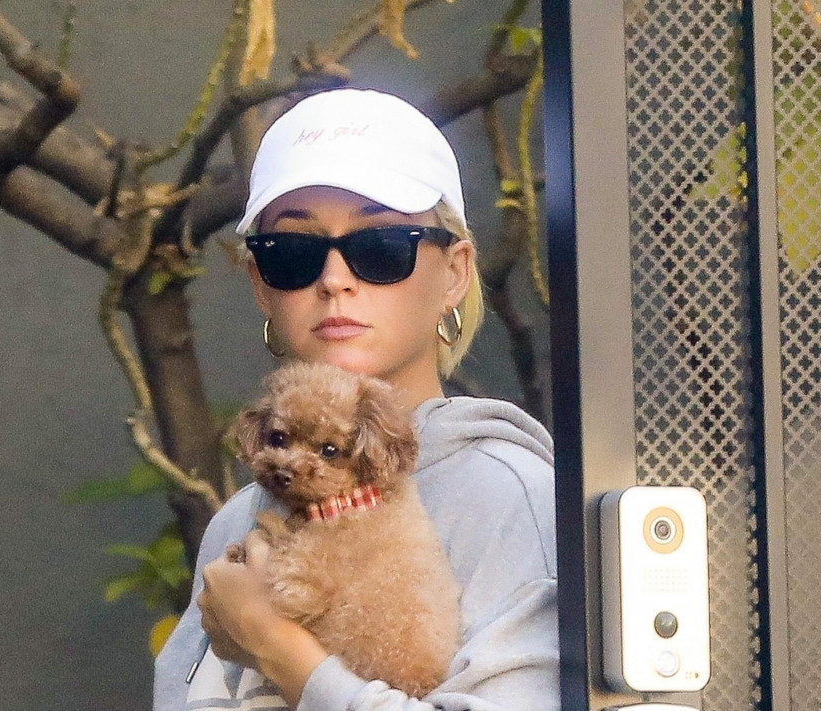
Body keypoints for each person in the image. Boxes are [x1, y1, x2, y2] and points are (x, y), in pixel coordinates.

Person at [153, 88, 559, 711]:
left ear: (454, 272)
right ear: (262, 286)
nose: (334, 279)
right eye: (294, 254)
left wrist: (276, 646)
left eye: (380, 248)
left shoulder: (513, 496)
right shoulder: (239, 519)